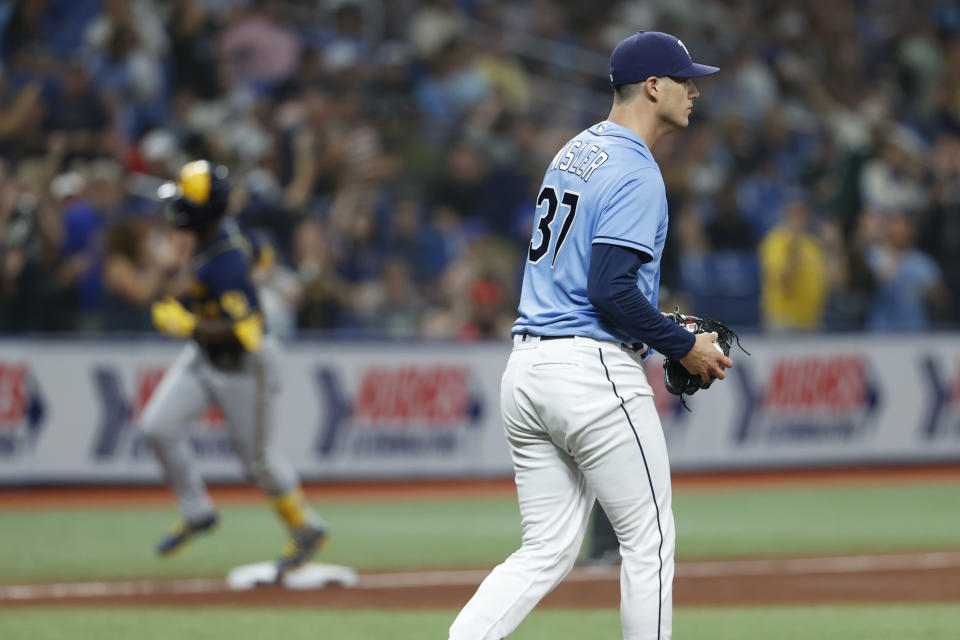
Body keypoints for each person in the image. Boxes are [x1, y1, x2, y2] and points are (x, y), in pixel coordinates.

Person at [448, 32, 732, 640]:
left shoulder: (574, 152)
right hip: (590, 373)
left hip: (527, 372)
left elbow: (594, 280)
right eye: (685, 79)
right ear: (653, 87)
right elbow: (610, 290)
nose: (695, 89)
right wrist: (681, 344)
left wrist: (659, 327)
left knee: (545, 550)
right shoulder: (637, 170)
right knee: (649, 542)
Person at [141, 160, 327, 576]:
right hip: (205, 357)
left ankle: (307, 528)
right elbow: (261, 253)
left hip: (244, 366)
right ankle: (197, 511)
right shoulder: (215, 238)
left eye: (185, 201)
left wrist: (189, 323)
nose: (177, 209)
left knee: (257, 460)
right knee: (157, 426)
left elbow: (244, 333)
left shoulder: (224, 259)